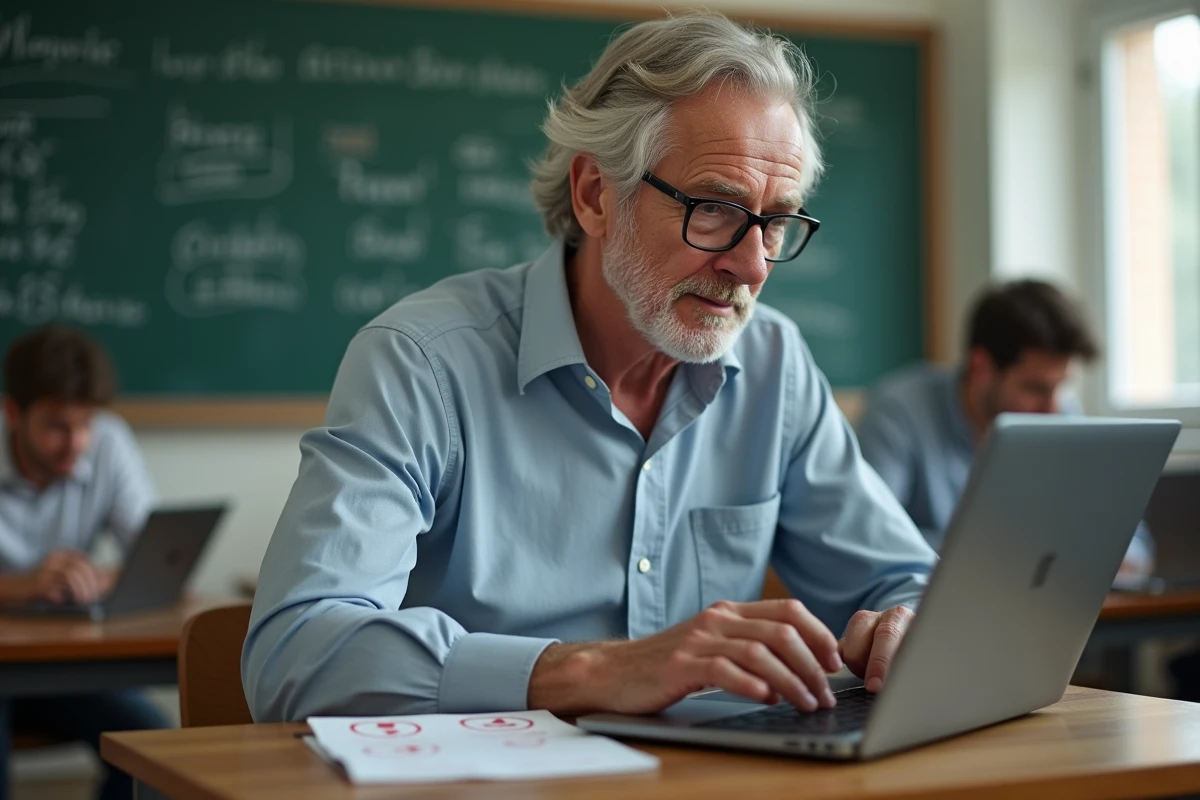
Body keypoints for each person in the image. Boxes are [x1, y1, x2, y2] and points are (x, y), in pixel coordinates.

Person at [244, 12, 938, 723]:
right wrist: (584, 669)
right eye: (714, 209)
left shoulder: (775, 365)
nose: (753, 263)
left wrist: (906, 622)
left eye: (777, 221)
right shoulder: (423, 363)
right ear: (595, 194)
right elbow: (297, 655)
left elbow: (902, 580)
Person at [856, 279, 1154, 575]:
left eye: (1061, 388)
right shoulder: (897, 414)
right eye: (1035, 388)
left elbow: (1135, 543)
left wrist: (1112, 555)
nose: (1052, 409)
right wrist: (1015, 553)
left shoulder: (1061, 415)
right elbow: (873, 535)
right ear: (981, 368)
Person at [0, 325, 166, 800]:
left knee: (153, 753)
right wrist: (22, 586)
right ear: (14, 413)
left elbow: (151, 556)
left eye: (85, 423)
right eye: (56, 425)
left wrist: (97, 577)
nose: (76, 442)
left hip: (67, 669)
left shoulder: (109, 441)